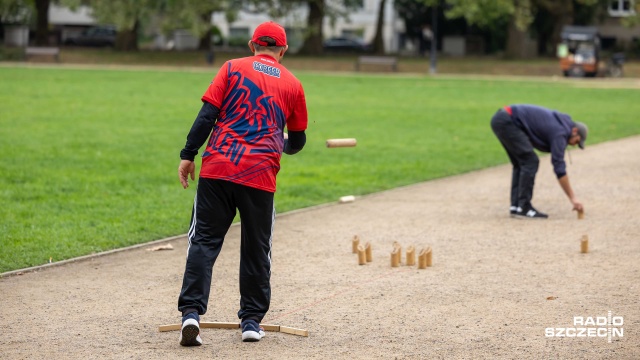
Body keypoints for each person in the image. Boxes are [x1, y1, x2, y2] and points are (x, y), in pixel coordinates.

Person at [176, 21, 308, 345]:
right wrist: (282, 144)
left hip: (218, 167)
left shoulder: (231, 68)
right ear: (284, 50)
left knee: (204, 242)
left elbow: (207, 115)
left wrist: (188, 153)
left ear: (252, 45)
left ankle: (191, 315)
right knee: (256, 248)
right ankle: (251, 321)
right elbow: (299, 140)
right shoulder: (293, 83)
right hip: (260, 175)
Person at [490, 104, 587, 219]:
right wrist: (573, 198)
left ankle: (516, 207)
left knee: (521, 163)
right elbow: (559, 167)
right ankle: (524, 207)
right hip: (508, 121)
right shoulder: (560, 132)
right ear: (575, 131)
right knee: (531, 161)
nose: (575, 145)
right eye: (577, 141)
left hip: (502, 118)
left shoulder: (560, 125)